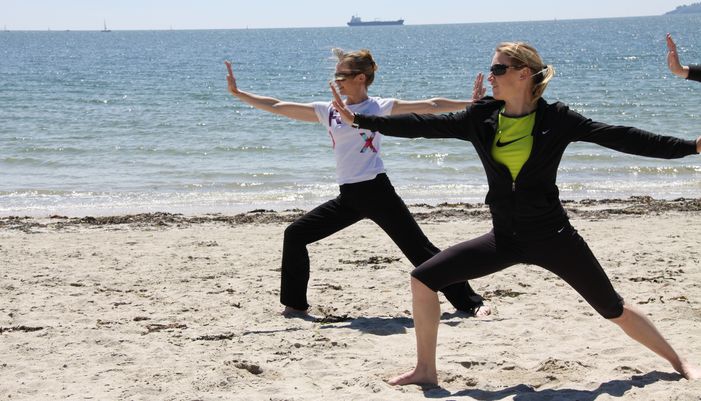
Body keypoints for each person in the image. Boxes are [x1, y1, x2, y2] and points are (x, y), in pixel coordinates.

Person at [331, 41, 701, 384]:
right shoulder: (481, 118)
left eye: (498, 69)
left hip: (553, 238)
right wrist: (362, 120)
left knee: (613, 308)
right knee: (424, 279)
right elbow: (421, 127)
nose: (490, 75)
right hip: (504, 238)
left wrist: (692, 147)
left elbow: (622, 136)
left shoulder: (557, 119)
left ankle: (678, 362)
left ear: (524, 74)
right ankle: (426, 370)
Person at [225, 48, 491, 318]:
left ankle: (470, 302)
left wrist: (469, 104)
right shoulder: (328, 111)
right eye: (336, 74)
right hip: (348, 197)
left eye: (343, 75)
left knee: (420, 250)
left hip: (378, 192)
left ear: (361, 78)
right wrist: (241, 94)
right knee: (295, 235)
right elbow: (279, 106)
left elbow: (431, 105)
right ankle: (295, 306)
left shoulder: (378, 107)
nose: (337, 80)